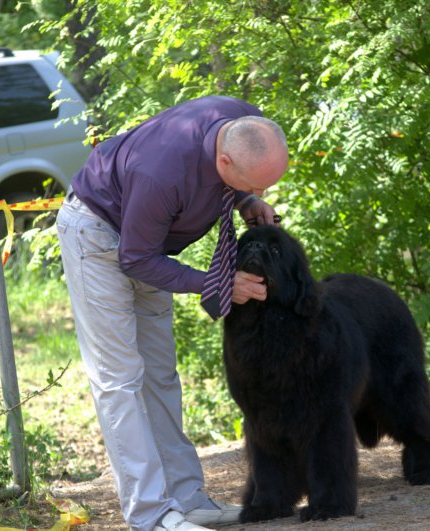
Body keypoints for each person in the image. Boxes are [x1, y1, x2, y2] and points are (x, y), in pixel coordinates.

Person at [55, 95, 289, 531]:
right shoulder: (160, 173)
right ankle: (151, 515)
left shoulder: (243, 120)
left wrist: (245, 201)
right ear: (224, 160)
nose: (262, 195)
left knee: (160, 374)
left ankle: (187, 500)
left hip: (147, 241)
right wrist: (218, 283)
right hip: (99, 237)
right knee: (120, 379)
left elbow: (149, 247)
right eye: (256, 187)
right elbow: (136, 258)